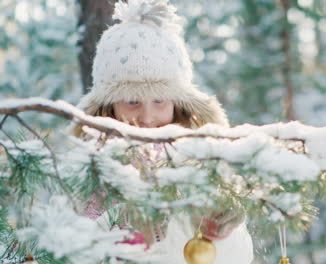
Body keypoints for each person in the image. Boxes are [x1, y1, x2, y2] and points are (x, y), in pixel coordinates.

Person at [70, 0, 254, 263]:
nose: (146, 117)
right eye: (132, 101)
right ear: (107, 106)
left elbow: (237, 258)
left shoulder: (200, 162)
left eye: (159, 101)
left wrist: (222, 231)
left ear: (179, 103)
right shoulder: (89, 166)